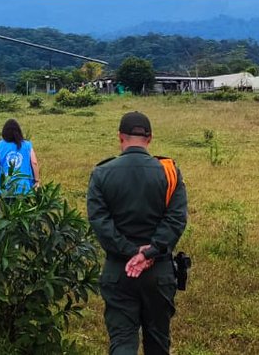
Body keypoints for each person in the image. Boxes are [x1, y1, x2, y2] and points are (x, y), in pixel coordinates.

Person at [87, 111, 187, 355]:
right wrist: (149, 252)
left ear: (121, 137)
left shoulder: (101, 173)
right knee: (158, 342)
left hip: (119, 269)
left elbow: (100, 221)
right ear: (150, 139)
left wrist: (131, 253)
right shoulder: (169, 172)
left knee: (122, 341)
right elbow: (176, 219)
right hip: (159, 270)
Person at [0, 119, 39, 197]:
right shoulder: (27, 145)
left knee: (7, 207)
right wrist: (37, 181)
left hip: (5, 187)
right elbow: (34, 162)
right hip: (24, 186)